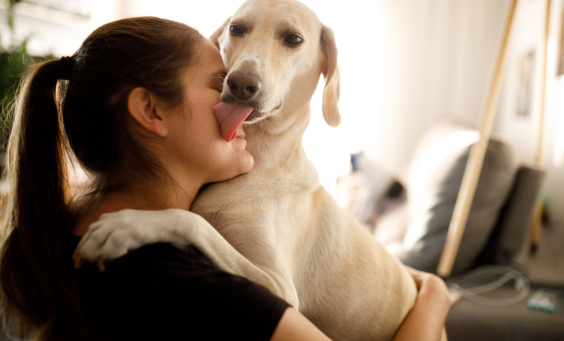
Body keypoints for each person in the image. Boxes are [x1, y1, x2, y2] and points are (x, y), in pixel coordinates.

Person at [0, 16, 450, 341]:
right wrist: (433, 297)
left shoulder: (60, 224)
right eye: (220, 81)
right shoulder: (168, 269)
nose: (237, 86)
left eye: (291, 38)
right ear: (151, 111)